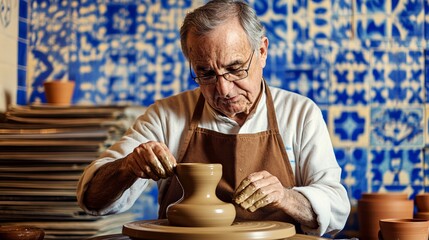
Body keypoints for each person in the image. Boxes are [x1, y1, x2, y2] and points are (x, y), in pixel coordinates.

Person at [77, 0, 350, 236]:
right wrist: (127, 166)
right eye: (206, 74)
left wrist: (285, 197)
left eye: (235, 69)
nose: (223, 89)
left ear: (262, 52)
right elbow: (93, 201)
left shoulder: (300, 113)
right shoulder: (166, 116)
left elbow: (337, 210)